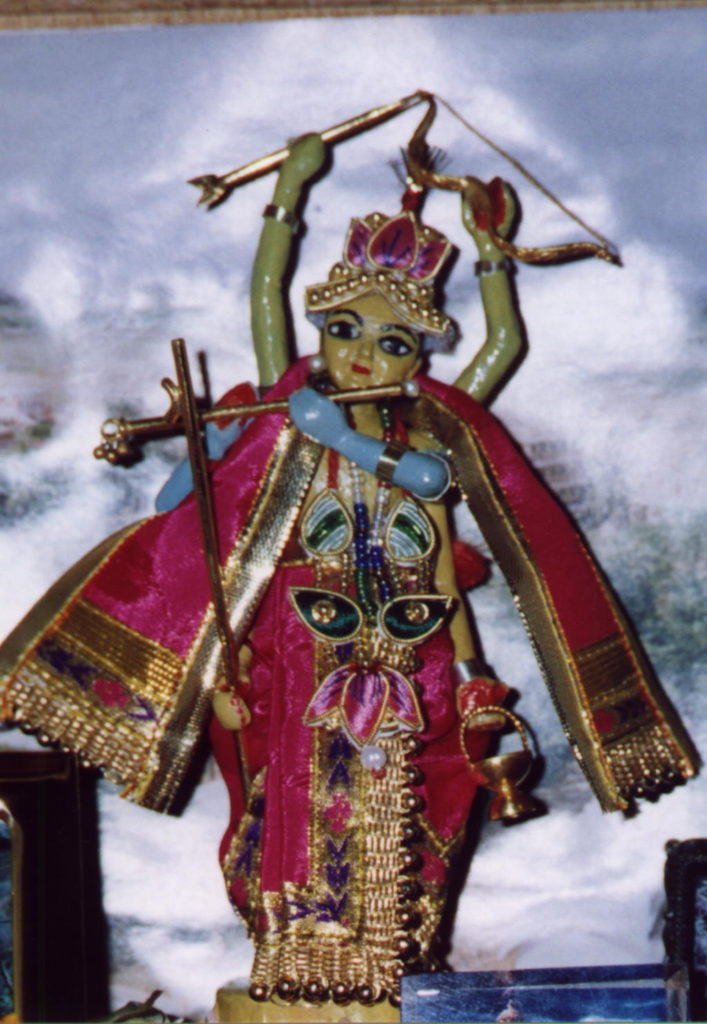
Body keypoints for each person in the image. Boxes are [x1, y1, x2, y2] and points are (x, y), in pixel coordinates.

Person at [0, 133, 696, 1016]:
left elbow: (497, 355)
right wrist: (288, 190)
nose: (364, 353)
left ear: (419, 356)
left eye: (391, 340)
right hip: (295, 650)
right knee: (278, 809)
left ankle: (398, 966)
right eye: (343, 329)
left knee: (422, 806)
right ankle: (292, 965)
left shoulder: (427, 435)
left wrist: (490, 252)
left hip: (413, 653)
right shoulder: (284, 418)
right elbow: (265, 295)